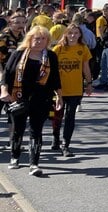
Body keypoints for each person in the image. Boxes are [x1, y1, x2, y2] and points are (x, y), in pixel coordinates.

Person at [1, 26, 63, 176]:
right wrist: (3, 91)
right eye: (37, 38)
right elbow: (7, 75)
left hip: (41, 98)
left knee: (37, 130)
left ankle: (34, 164)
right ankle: (15, 157)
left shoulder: (50, 56)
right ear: (30, 39)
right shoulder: (18, 54)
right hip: (19, 96)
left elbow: (55, 78)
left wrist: (59, 97)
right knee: (18, 128)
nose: (39, 41)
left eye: (43, 39)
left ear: (47, 41)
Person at [50, 23, 93, 157]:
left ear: (80, 34)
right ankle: (55, 137)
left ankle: (65, 144)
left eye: (76, 33)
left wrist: (89, 83)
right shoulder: (58, 49)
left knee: (70, 116)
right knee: (57, 116)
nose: (73, 36)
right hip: (59, 89)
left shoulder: (83, 48)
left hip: (75, 88)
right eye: (70, 33)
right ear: (65, 34)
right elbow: (50, 69)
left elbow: (85, 67)